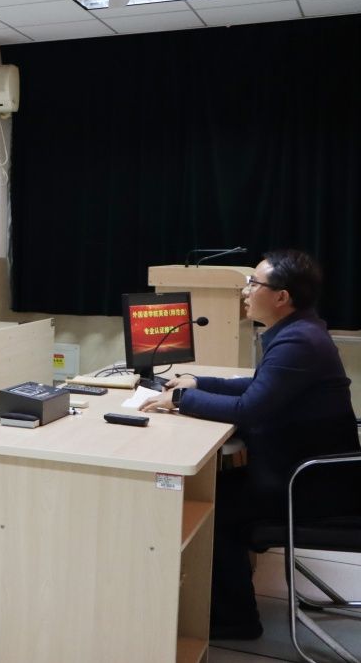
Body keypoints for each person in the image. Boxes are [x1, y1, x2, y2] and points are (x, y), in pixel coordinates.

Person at [138, 249, 358, 641]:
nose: (245, 290)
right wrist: (200, 383)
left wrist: (180, 399)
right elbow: (260, 387)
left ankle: (236, 619)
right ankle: (225, 603)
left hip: (310, 487)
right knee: (216, 491)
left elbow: (249, 409)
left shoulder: (299, 341)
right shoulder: (299, 331)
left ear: (281, 297)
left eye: (253, 283)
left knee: (213, 506)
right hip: (309, 473)